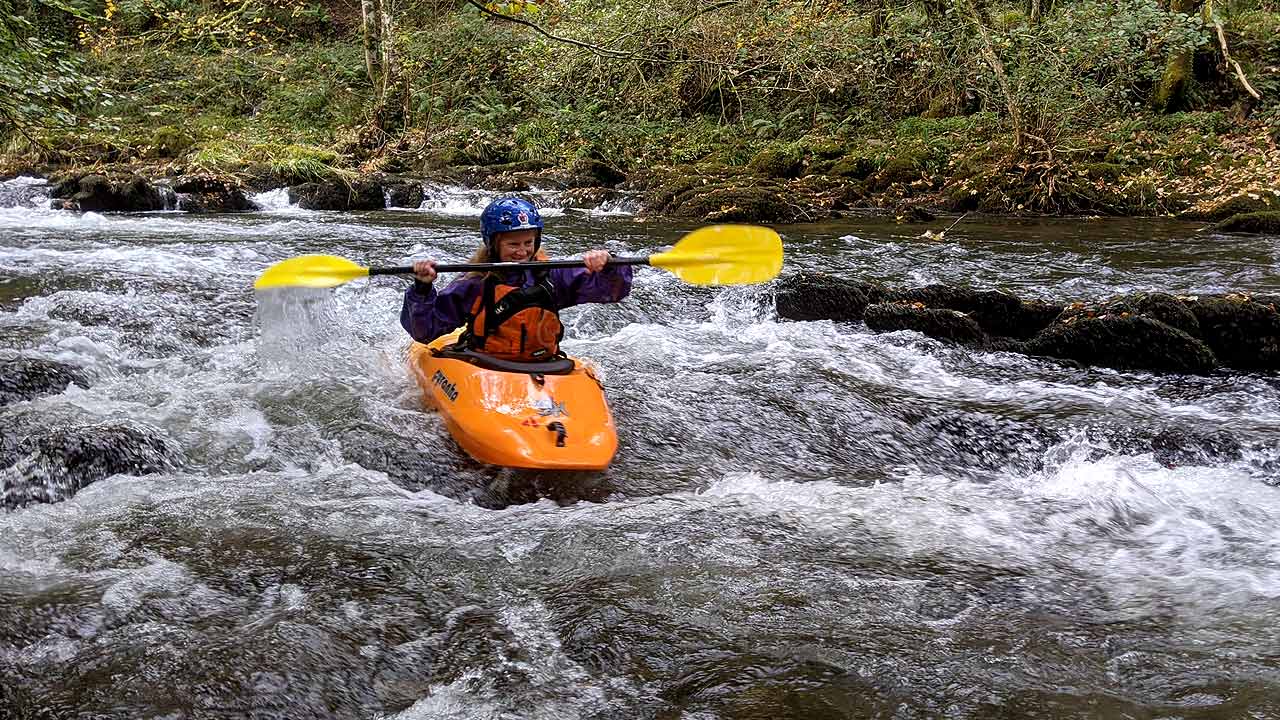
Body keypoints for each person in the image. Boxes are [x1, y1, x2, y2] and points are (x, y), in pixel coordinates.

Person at [400, 197, 632, 361]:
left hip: (545, 365)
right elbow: (425, 331)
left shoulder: (551, 275)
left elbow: (613, 291)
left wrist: (608, 265)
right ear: (493, 244)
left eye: (528, 243)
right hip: (486, 364)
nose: (522, 252)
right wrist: (422, 287)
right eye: (513, 244)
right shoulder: (475, 282)